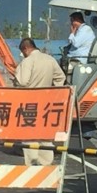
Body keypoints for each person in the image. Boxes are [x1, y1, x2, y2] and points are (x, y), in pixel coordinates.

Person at [14, 38, 66, 166]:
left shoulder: (28, 61)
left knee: (29, 135)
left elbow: (23, 81)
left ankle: (32, 165)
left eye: (23, 52)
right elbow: (61, 77)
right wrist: (54, 92)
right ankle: (46, 163)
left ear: (26, 49)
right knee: (44, 134)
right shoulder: (50, 60)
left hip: (29, 103)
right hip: (46, 103)